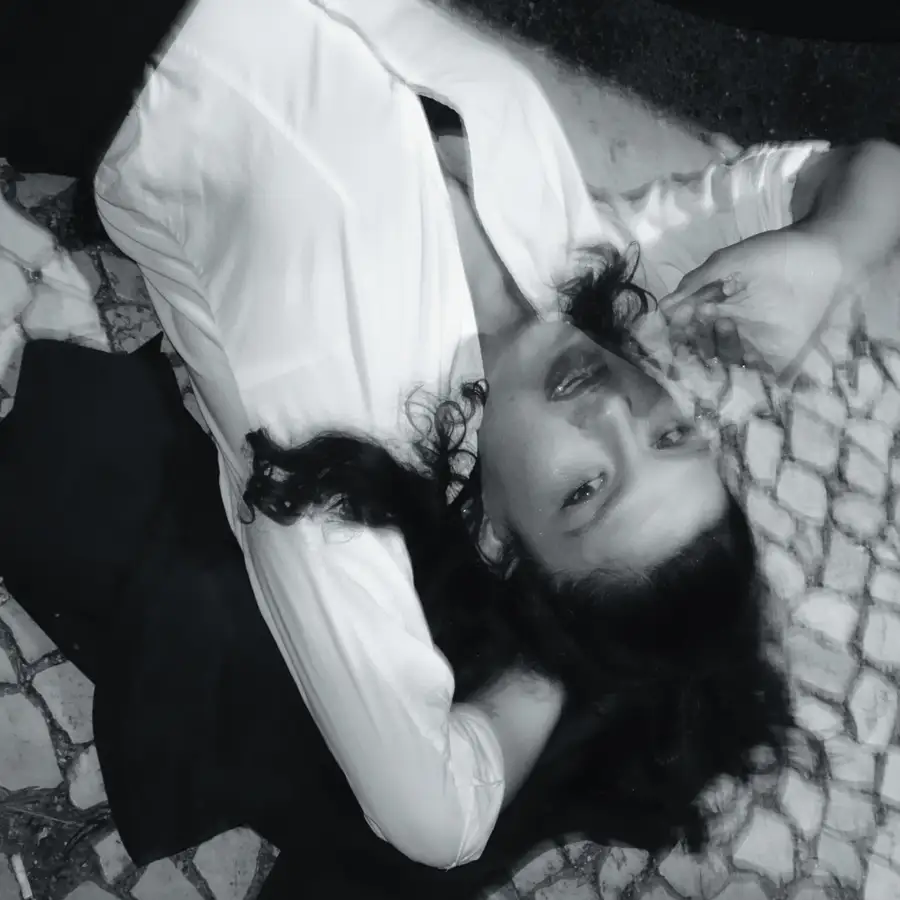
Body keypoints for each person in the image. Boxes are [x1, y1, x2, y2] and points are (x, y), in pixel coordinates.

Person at [2, 0, 900, 897]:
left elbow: (436, 816)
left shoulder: (338, 427)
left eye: (587, 490)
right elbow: (866, 170)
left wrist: (559, 662)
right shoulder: (601, 264)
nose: (615, 413)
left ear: (500, 540)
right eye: (671, 436)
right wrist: (829, 251)